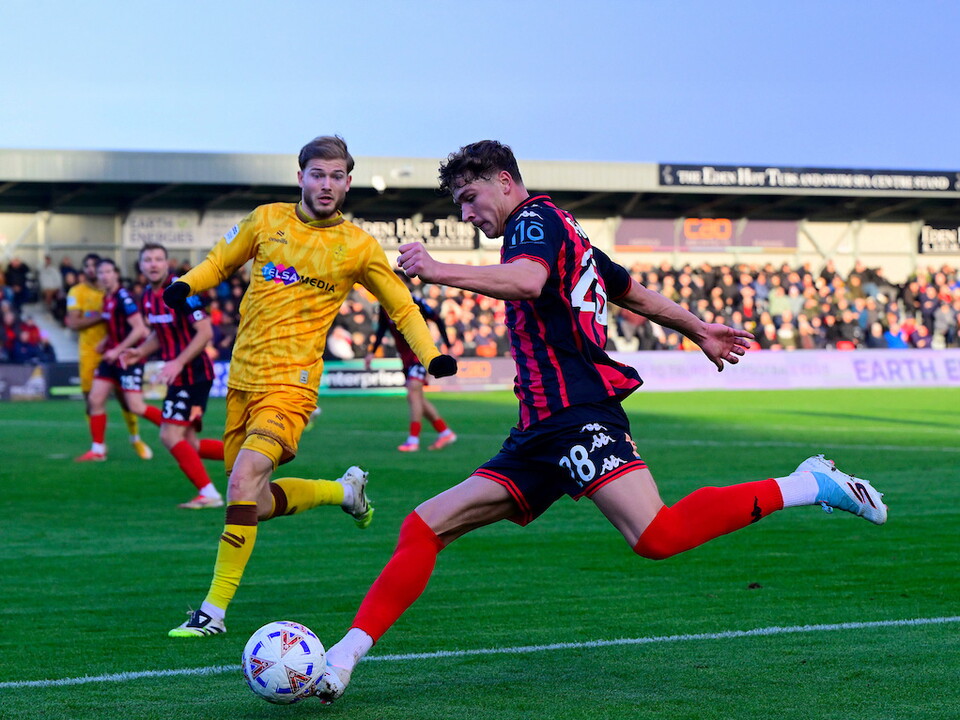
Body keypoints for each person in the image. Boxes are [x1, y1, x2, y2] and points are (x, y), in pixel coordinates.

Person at [312, 140, 888, 703]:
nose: (465, 213)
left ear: (503, 182)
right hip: (539, 431)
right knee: (424, 526)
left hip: (578, 414)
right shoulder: (569, 231)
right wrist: (698, 328)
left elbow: (528, 281)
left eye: (468, 196)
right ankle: (343, 658)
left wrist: (437, 269)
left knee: (657, 535)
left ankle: (810, 482)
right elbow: (630, 292)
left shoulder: (532, 221)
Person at [162, 135, 456, 637]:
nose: (326, 184)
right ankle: (342, 491)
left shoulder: (358, 246)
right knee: (250, 502)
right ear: (300, 176)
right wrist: (188, 283)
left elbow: (401, 306)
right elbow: (218, 262)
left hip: (293, 384)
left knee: (242, 478)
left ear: (347, 181)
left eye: (336, 176)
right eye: (317, 174)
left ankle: (212, 612)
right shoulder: (264, 220)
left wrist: (432, 355)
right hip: (243, 380)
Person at [120, 243, 226, 510]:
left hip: (194, 374)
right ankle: (252, 459)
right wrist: (139, 351)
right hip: (179, 375)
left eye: (158, 259)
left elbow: (205, 333)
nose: (153, 264)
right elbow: (159, 332)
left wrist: (178, 362)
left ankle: (209, 494)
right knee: (190, 443)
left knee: (169, 436)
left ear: (167, 263)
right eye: (148, 260)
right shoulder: (146, 296)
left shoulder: (182, 289)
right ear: (141, 266)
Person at [67, 253, 153, 462]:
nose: (104, 276)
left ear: (116, 274)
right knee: (95, 400)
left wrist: (117, 349)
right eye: (100, 272)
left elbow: (140, 330)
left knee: (134, 406)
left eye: (107, 272)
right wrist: (106, 341)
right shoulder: (107, 298)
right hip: (109, 357)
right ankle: (98, 450)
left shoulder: (123, 297)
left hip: (126, 358)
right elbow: (110, 323)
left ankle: (172, 429)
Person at [365, 279, 457, 452]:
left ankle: (413, 440)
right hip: (406, 358)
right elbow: (381, 329)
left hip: (421, 354)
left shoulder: (415, 301)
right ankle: (444, 432)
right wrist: (372, 351)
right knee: (416, 397)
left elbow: (438, 319)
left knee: (413, 391)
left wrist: (448, 346)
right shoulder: (385, 305)